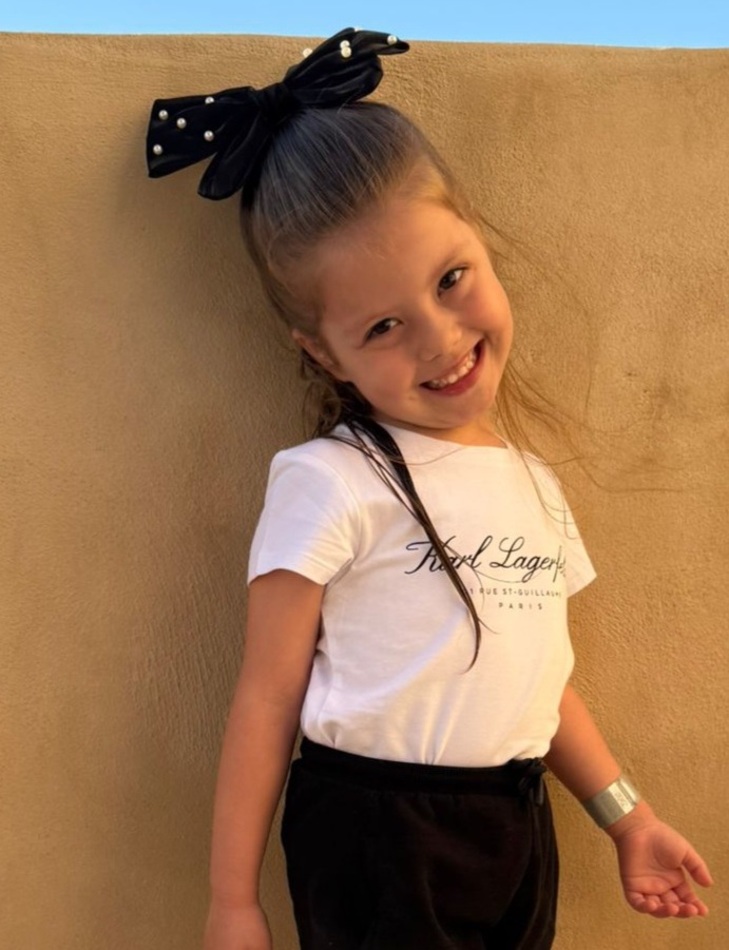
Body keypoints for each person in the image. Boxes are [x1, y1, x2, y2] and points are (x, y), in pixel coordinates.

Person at [146, 28, 713, 950]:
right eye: (382, 327)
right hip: (375, 834)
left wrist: (627, 818)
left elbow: (539, 682)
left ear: (478, 243)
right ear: (323, 353)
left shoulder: (533, 488)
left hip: (514, 825)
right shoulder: (330, 481)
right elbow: (265, 696)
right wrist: (232, 901)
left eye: (451, 279)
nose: (440, 339)